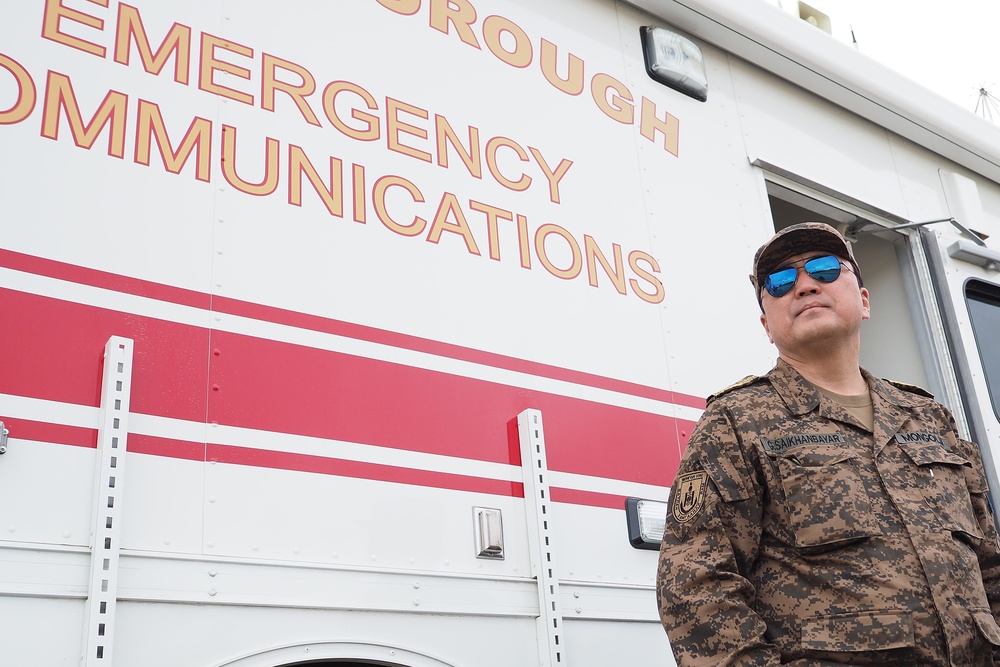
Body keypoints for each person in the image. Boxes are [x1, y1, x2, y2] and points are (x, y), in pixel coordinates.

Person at [656, 222, 1000, 666]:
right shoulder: (736, 421)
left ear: (864, 299)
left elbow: (989, 566)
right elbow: (695, 584)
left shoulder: (929, 417)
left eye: (824, 268)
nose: (803, 285)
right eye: (779, 282)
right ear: (767, 325)